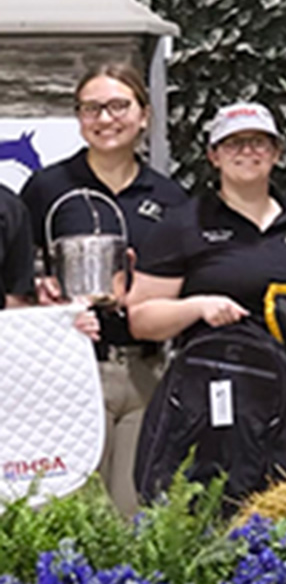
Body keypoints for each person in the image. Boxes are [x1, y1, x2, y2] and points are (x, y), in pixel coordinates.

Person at [19, 63, 188, 517]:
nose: (105, 118)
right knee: (74, 511)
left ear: (144, 115)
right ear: (78, 117)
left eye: (118, 106)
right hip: (69, 369)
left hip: (145, 369)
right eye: (91, 108)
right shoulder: (47, 188)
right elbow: (13, 272)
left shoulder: (171, 198)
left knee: (133, 510)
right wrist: (39, 290)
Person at [128, 102, 286, 499]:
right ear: (213, 156)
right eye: (233, 144)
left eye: (259, 142)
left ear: (277, 152)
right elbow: (141, 318)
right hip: (211, 394)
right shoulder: (182, 225)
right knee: (211, 503)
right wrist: (198, 306)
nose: (247, 152)